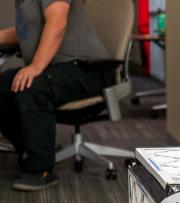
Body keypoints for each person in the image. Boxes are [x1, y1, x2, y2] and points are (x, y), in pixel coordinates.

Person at [0, 0, 108, 191]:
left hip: (86, 68)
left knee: (31, 87)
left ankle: (41, 169)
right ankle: (31, 150)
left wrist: (35, 67)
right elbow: (25, 33)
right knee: (3, 85)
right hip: (58, 69)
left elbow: (57, 23)